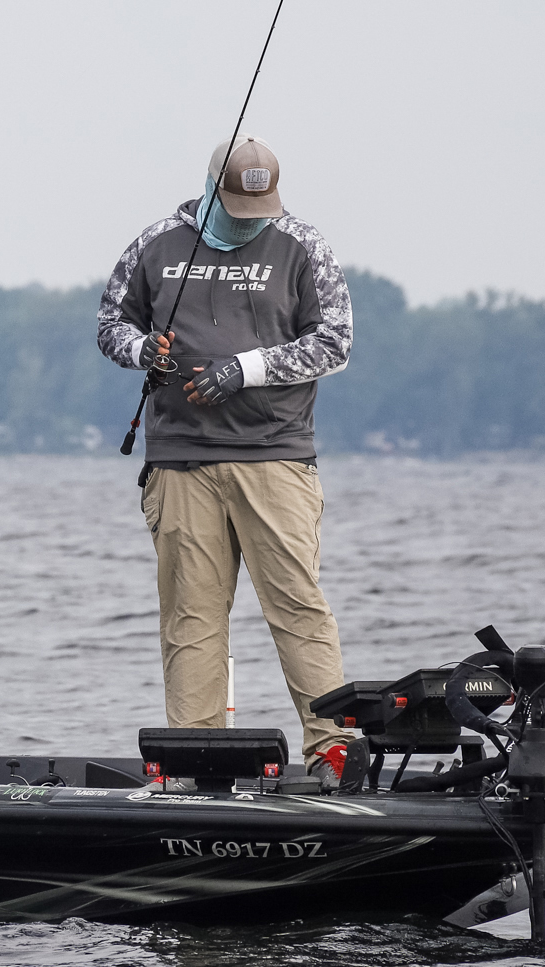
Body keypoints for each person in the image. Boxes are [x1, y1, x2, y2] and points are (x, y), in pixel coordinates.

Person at [95, 136, 354, 782]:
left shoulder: (301, 245)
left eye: (257, 206)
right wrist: (139, 351)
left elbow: (336, 343)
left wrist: (248, 369)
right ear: (210, 189)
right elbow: (110, 325)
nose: (247, 217)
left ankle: (332, 750)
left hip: (276, 458)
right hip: (181, 461)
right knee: (192, 617)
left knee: (298, 605)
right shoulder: (156, 243)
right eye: (236, 205)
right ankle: (191, 759)